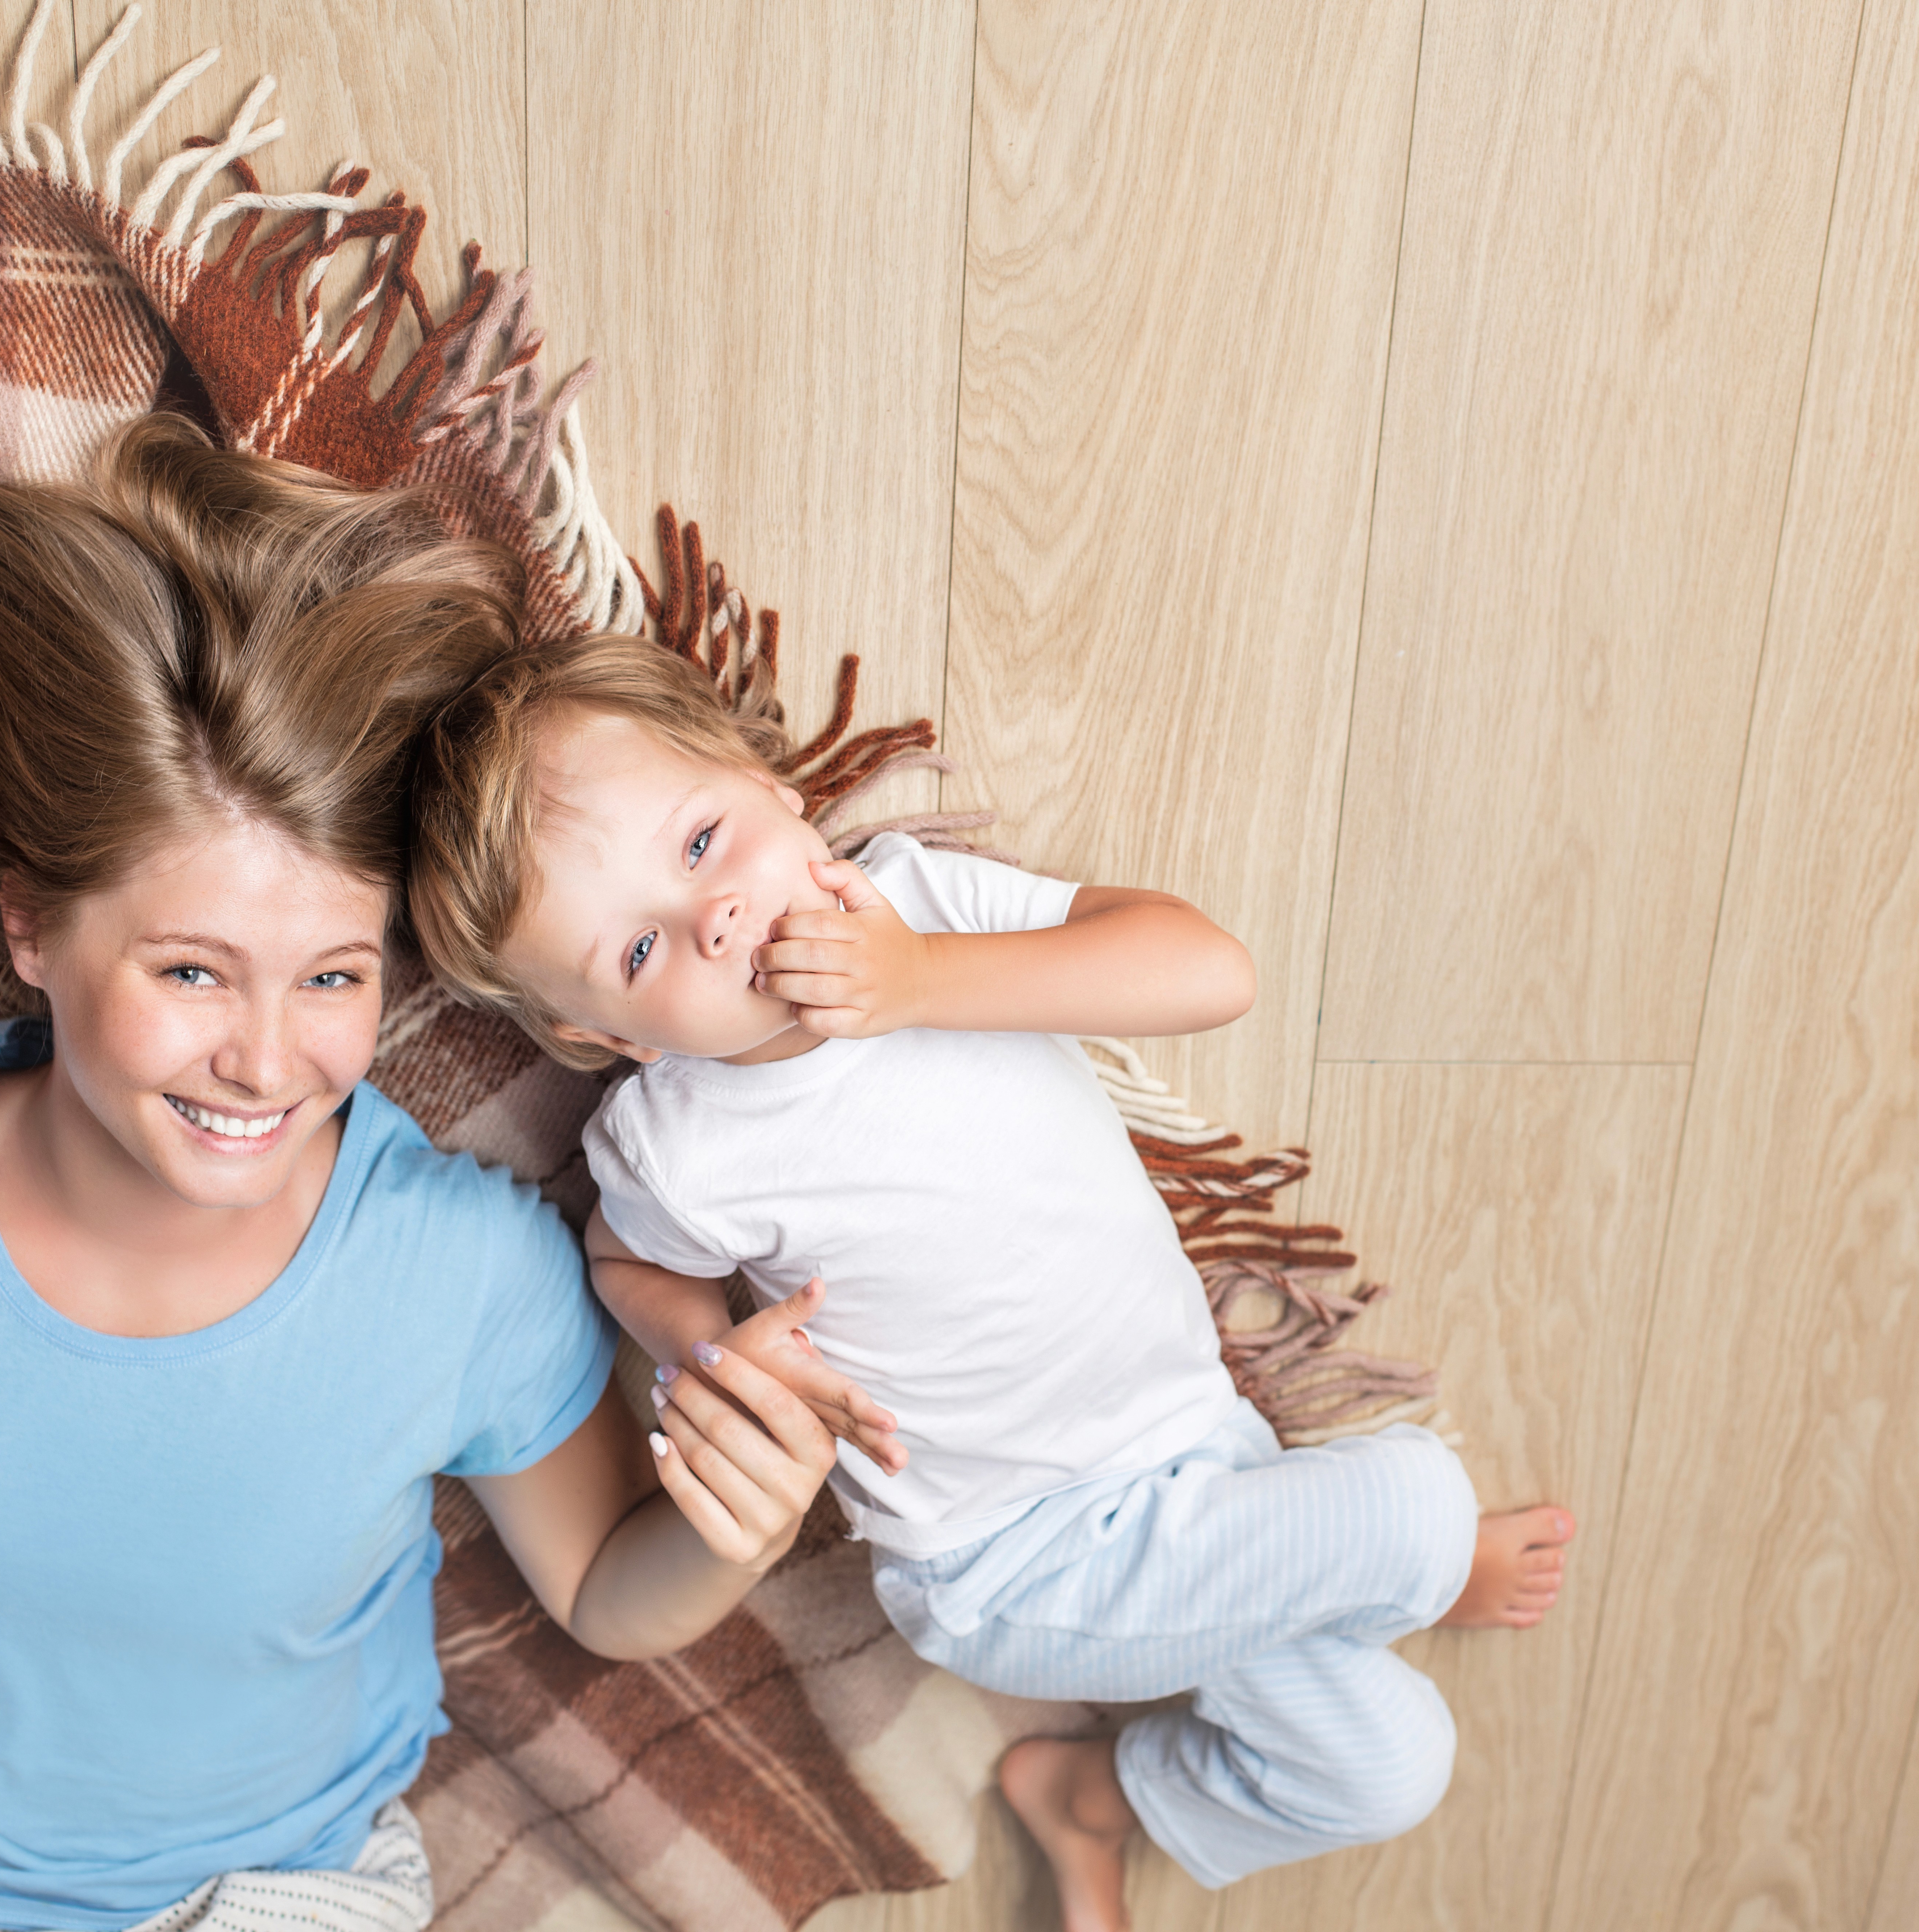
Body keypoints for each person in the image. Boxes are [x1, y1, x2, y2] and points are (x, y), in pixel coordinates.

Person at [0, 418, 837, 1932]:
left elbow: (610, 1587)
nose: (267, 1058)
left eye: (332, 975)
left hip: (273, 1900)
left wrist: (730, 1529)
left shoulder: (463, 1270)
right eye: (194, 970)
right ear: (32, 925)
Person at [400, 630, 1580, 1932]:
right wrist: (716, 1349)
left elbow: (1207, 970)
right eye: (639, 954)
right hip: (1016, 1559)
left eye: (700, 846)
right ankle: (1406, 1563)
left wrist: (922, 983)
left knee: (1392, 1765)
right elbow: (627, 1260)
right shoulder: (680, 1142)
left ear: (777, 787)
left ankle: (1094, 1797)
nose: (716, 919)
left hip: (1196, 1440)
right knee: (1415, 1501)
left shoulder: (923, 907)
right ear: (609, 1038)